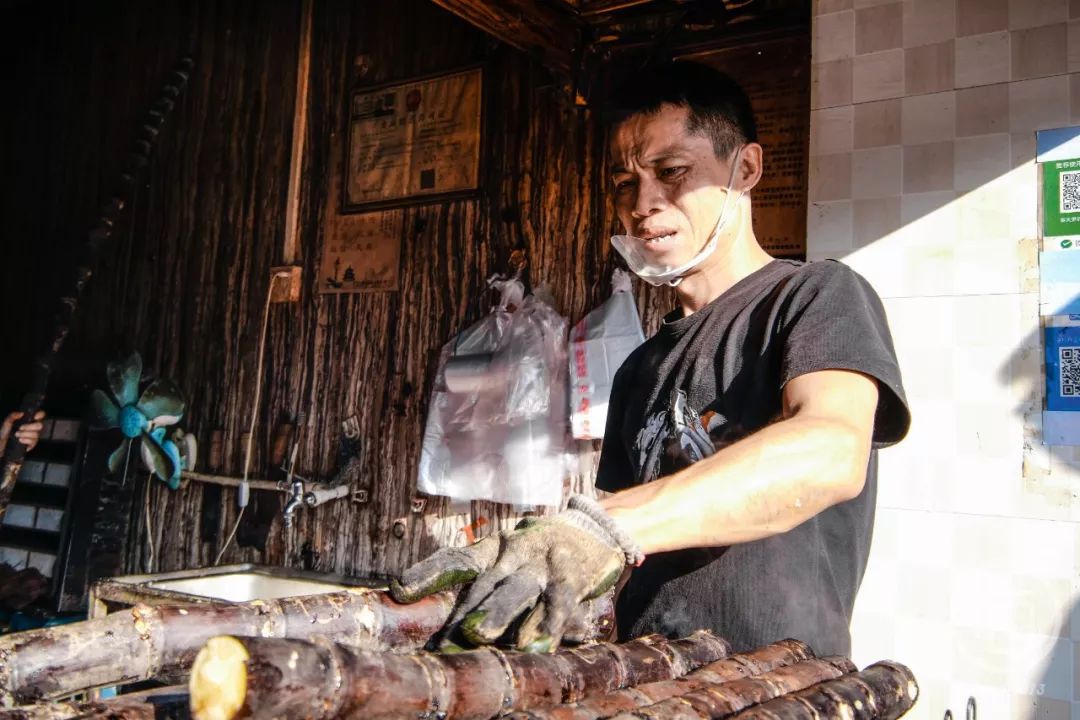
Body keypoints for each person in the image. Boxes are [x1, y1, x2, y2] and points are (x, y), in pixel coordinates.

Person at [392, 62, 910, 657]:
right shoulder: (639, 367)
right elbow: (621, 548)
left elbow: (830, 451)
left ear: (745, 168)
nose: (642, 203)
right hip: (651, 681)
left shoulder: (815, 296)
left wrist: (604, 524)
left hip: (781, 683)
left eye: (671, 172)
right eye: (624, 182)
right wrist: (551, 568)